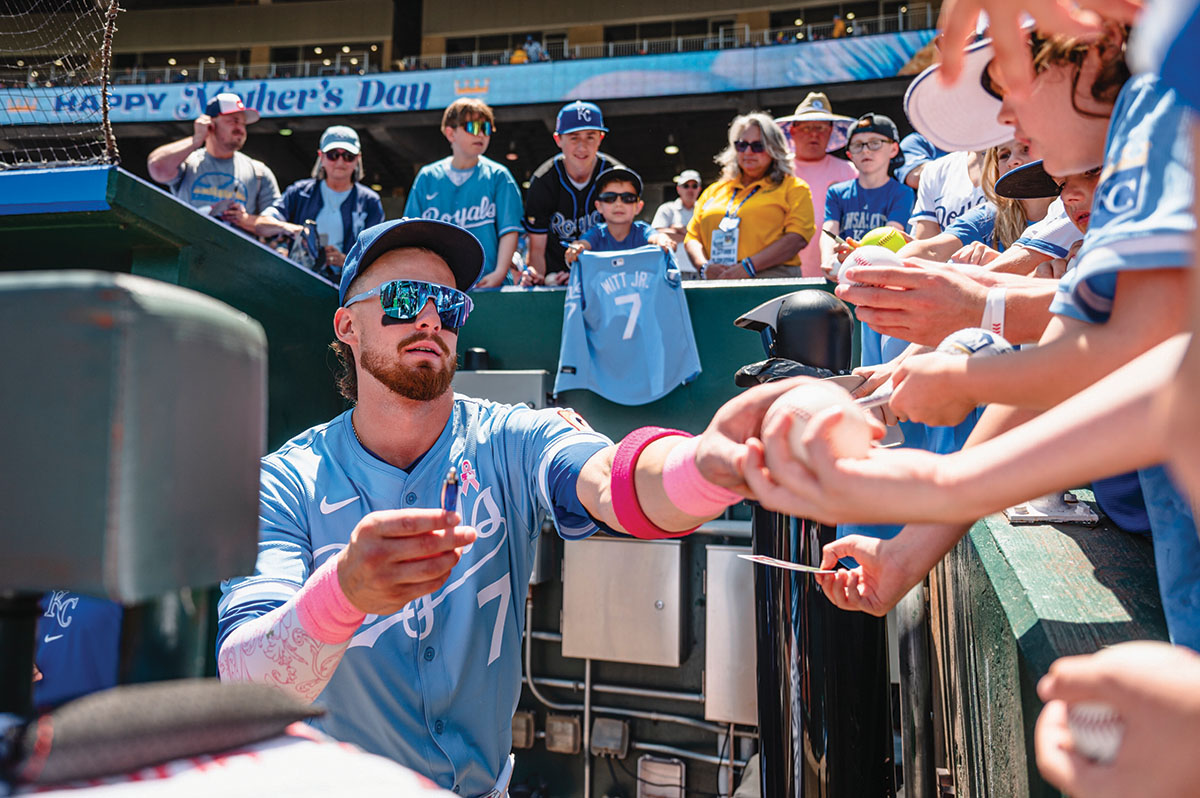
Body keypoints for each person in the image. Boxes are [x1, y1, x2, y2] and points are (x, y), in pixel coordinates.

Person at [216, 217, 801, 797]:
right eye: (403, 300)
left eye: (448, 305)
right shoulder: (284, 481)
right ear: (347, 324)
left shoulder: (511, 437)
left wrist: (710, 467)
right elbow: (248, 683)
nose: (428, 320)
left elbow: (610, 481)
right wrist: (344, 593)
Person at [404, 98, 523, 289]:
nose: (482, 135)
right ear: (451, 133)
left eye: (486, 128)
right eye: (474, 127)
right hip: (438, 287)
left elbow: (509, 231)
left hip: (488, 284)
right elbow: (411, 233)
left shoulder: (499, 176)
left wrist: (499, 274)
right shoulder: (427, 177)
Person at [684, 112, 815, 279]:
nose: (748, 152)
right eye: (741, 145)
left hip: (772, 278)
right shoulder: (714, 190)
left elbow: (797, 238)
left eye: (758, 146)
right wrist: (704, 267)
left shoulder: (794, 187)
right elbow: (692, 237)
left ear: (774, 149)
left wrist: (748, 267)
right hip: (718, 279)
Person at [255, 125, 384, 279]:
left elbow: (379, 255)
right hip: (299, 280)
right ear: (321, 157)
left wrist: (346, 262)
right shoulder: (300, 192)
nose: (340, 161)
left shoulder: (370, 201)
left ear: (358, 159)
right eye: (333, 155)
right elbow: (261, 225)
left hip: (347, 287)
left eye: (348, 156)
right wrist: (295, 230)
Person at [146, 92, 280, 236]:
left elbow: (275, 223)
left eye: (243, 123)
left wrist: (245, 219)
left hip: (237, 256)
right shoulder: (189, 163)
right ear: (210, 124)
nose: (240, 129)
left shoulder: (259, 172)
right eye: (233, 121)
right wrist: (197, 139)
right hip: (191, 253)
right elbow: (157, 168)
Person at [522, 101, 626, 285]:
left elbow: (623, 241)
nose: (582, 147)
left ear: (601, 138)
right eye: (574, 137)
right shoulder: (542, 181)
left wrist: (590, 274)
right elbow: (537, 250)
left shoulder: (617, 177)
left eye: (590, 137)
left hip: (608, 278)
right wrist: (537, 277)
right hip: (557, 278)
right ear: (558, 140)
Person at [774, 92, 858, 277]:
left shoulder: (850, 171)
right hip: (785, 271)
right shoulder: (777, 171)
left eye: (820, 128)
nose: (814, 134)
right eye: (807, 128)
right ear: (792, 131)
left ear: (830, 132)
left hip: (837, 271)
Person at [819, 113, 914, 273]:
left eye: (875, 143)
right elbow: (829, 229)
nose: (865, 151)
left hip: (881, 271)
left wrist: (858, 253)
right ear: (849, 154)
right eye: (857, 145)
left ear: (893, 149)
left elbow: (892, 231)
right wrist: (828, 259)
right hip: (843, 269)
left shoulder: (903, 193)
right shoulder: (836, 192)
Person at [563, 168, 674, 262]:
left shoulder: (642, 231)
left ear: (638, 207)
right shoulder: (596, 234)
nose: (618, 204)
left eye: (628, 198)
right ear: (599, 206)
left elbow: (656, 237)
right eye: (609, 197)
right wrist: (576, 248)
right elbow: (583, 244)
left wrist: (663, 240)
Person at [651, 169, 703, 277]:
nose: (690, 189)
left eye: (694, 186)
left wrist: (679, 231)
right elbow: (656, 234)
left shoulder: (705, 210)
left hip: (700, 270)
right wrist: (694, 236)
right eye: (686, 186)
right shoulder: (667, 208)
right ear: (678, 189)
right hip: (673, 270)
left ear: (699, 189)